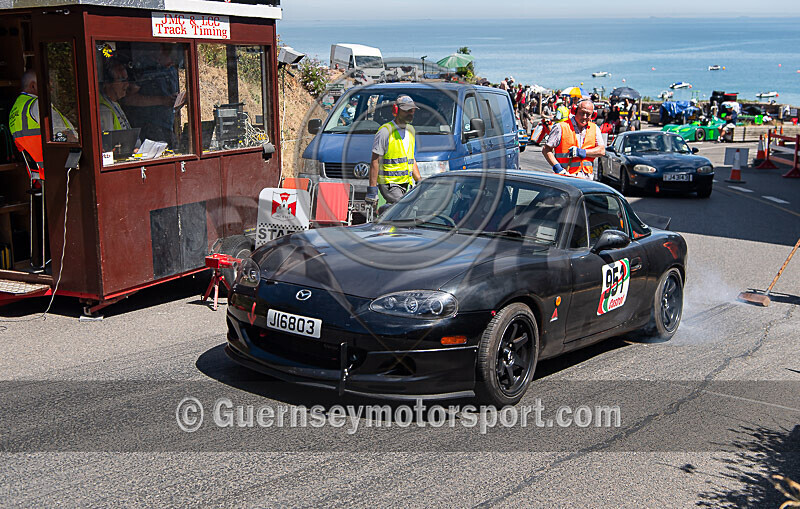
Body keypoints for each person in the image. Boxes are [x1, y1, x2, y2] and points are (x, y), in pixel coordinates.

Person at [8, 70, 77, 179]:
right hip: (63, 167)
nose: (51, 89)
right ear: (33, 86)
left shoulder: (16, 109)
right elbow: (65, 136)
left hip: (44, 172)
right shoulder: (37, 105)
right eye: (47, 84)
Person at [366, 95, 422, 205]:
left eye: (412, 110)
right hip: (389, 184)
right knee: (402, 208)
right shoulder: (385, 131)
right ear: (396, 110)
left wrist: (419, 180)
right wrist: (372, 189)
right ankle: (383, 211)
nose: (410, 113)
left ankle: (385, 213)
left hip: (406, 182)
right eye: (406, 111)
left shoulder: (411, 130)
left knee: (410, 209)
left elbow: (411, 159)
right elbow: (375, 161)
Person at [542, 98, 606, 180]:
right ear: (575, 111)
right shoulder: (561, 127)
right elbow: (546, 150)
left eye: (588, 114)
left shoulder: (594, 128)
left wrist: (582, 152)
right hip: (565, 177)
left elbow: (601, 151)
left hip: (587, 179)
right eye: (582, 113)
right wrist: (558, 168)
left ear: (593, 115)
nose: (584, 117)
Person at [98, 59, 132, 131]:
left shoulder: (114, 104)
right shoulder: (104, 110)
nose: (127, 84)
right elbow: (108, 141)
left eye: (126, 80)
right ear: (108, 83)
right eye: (122, 80)